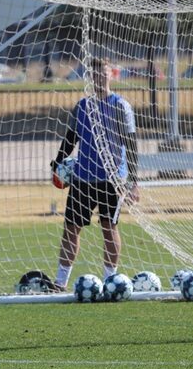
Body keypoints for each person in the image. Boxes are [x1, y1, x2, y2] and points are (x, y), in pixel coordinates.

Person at [50, 57, 139, 291]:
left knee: (109, 228)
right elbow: (71, 138)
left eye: (103, 73)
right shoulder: (82, 106)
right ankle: (60, 282)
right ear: (89, 77)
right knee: (71, 228)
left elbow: (131, 145)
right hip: (82, 178)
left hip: (112, 180)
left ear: (112, 75)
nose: (98, 77)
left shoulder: (121, 106)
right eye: (94, 74)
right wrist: (58, 162)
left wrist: (133, 182)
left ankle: (111, 279)